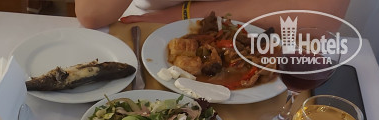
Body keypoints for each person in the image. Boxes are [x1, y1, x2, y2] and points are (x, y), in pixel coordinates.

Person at [75, 0, 350, 31]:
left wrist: (181, 14)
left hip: (260, 36)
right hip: (147, 30)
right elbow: (91, 13)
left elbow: (321, 17)